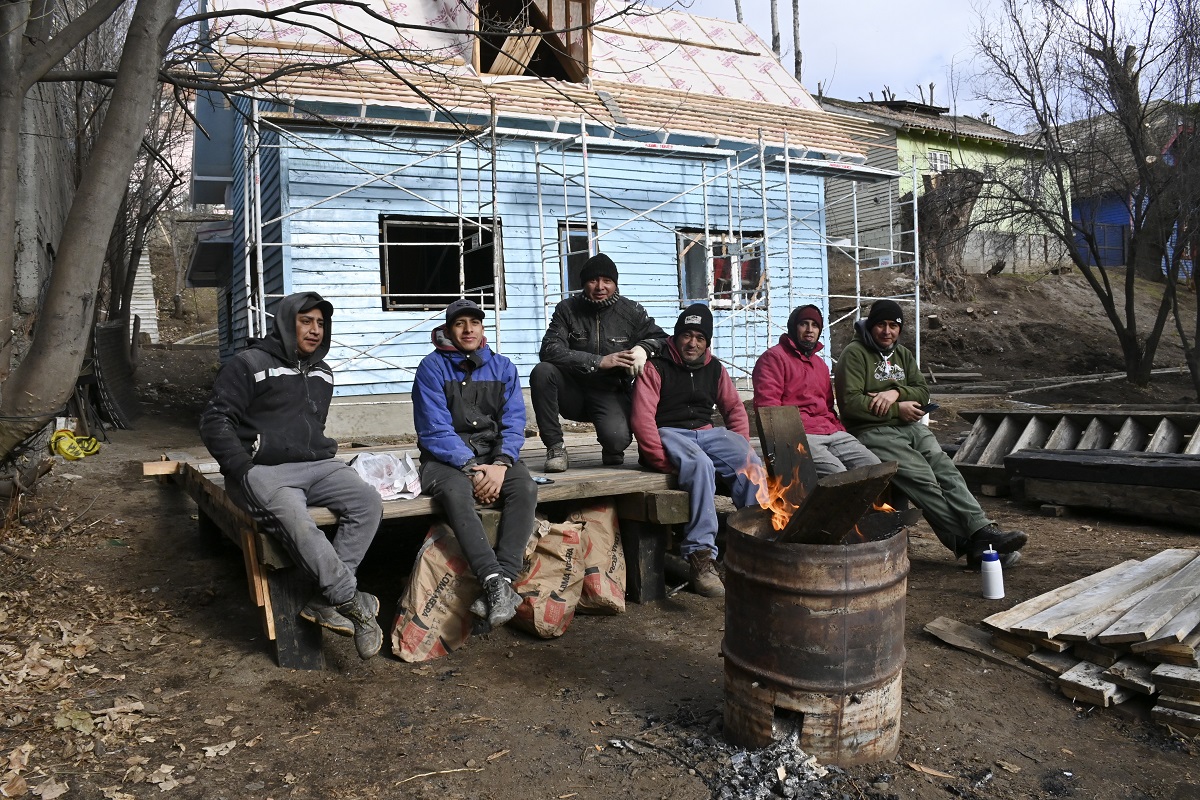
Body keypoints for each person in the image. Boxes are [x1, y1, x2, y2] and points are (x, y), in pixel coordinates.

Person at [200, 292, 384, 659]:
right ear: (287, 322)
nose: (315, 330)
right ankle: (351, 603)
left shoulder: (322, 372)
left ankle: (326, 598)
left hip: (317, 465)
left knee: (368, 500)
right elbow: (214, 421)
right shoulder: (248, 364)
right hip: (264, 471)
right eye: (306, 321)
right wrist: (243, 469)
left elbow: (315, 424)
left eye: (320, 323)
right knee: (298, 523)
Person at [833, 299, 1028, 568]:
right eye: (881, 324)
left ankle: (981, 529)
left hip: (911, 427)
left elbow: (922, 391)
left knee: (946, 470)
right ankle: (974, 542)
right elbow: (851, 404)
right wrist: (896, 410)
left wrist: (894, 393)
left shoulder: (902, 355)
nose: (887, 331)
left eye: (893, 325)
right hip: (873, 430)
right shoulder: (854, 354)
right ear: (870, 325)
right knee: (923, 479)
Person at [411, 299, 535, 628]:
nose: (468, 329)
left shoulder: (503, 367)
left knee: (524, 487)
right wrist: (472, 467)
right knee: (454, 492)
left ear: (482, 328)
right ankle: (493, 578)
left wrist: (502, 463)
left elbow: (513, 422)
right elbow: (434, 429)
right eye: (460, 324)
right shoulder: (432, 367)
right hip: (445, 458)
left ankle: (503, 583)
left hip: (494, 456)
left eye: (475, 323)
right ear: (448, 330)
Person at [631, 303, 764, 598]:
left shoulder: (715, 368)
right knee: (700, 465)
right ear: (677, 337)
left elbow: (734, 410)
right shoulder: (656, 366)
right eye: (687, 335)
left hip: (706, 433)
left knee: (750, 461)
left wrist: (738, 448)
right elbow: (642, 419)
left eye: (700, 338)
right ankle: (701, 556)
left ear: (707, 342)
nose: (693, 343)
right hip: (669, 433)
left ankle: (758, 542)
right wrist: (660, 459)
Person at [531, 253, 668, 472]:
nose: (600, 287)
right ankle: (555, 447)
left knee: (617, 440)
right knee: (542, 371)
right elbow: (549, 350)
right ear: (584, 283)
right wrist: (598, 361)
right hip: (572, 390)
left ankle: (612, 447)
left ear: (615, 283)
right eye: (593, 280)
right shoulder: (567, 309)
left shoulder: (631, 311)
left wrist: (644, 348)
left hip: (610, 391)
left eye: (607, 281)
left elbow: (663, 340)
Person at [752, 304, 881, 477]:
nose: (809, 330)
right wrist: (782, 445)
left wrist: (839, 430)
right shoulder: (773, 358)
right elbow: (768, 409)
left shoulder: (820, 365)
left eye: (815, 325)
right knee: (838, 475)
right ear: (793, 327)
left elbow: (828, 407)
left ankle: (864, 505)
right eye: (804, 324)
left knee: (874, 468)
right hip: (798, 434)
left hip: (831, 432)